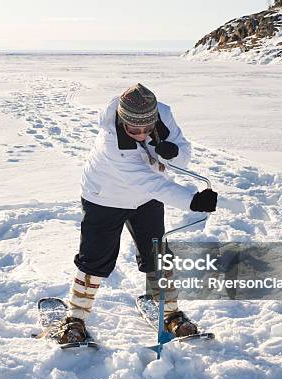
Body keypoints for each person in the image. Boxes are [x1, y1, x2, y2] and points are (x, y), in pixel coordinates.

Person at [57, 83, 217, 344]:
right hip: (105, 197)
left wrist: (173, 152)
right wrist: (193, 201)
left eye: (147, 129)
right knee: (95, 258)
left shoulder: (162, 114)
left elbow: (182, 151)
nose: (142, 135)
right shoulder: (111, 140)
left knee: (157, 254)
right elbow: (151, 182)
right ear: (122, 120)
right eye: (134, 130)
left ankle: (171, 314)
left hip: (146, 198)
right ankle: (75, 318)